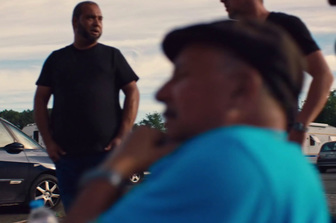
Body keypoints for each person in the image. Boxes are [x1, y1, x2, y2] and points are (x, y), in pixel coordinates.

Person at [63, 20, 330, 223]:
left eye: (182, 75)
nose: (161, 93)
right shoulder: (291, 164)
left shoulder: (225, 157)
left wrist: (116, 167)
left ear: (240, 88)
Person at [33, 1, 139, 211]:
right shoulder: (57, 59)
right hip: (67, 158)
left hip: (106, 155)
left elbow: (132, 91)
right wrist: (49, 141)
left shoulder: (112, 56)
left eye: (100, 18)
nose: (97, 23)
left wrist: (123, 134)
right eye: (91, 17)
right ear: (75, 21)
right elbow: (40, 100)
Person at [220, 0, 334, 145]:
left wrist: (300, 127)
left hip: (278, 136)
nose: (222, 0)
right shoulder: (226, 34)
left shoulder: (287, 26)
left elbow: (323, 75)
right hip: (236, 136)